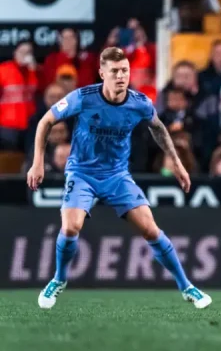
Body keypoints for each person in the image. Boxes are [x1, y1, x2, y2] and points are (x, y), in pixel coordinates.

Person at [26, 47, 211, 310]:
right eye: (114, 71)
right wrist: (38, 163)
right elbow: (45, 121)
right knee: (70, 228)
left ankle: (187, 286)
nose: (121, 76)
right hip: (82, 173)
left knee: (150, 229)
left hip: (116, 176)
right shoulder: (83, 98)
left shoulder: (140, 103)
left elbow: (158, 128)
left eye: (124, 70)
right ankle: (59, 279)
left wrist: (178, 163)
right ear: (102, 73)